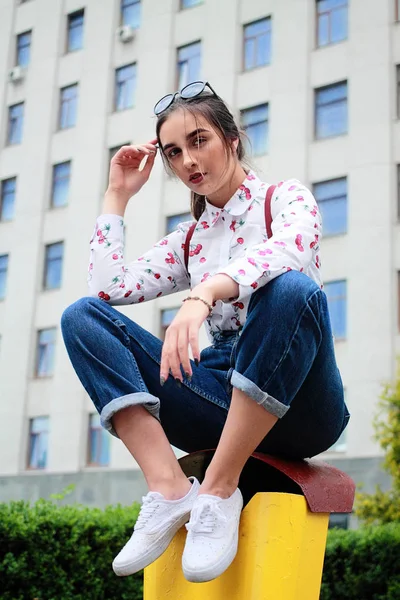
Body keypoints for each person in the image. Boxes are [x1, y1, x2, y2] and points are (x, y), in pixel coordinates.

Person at [61, 81, 350, 584]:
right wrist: (116, 195)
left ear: (231, 138)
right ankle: (170, 488)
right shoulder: (191, 239)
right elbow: (107, 289)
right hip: (221, 397)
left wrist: (203, 294)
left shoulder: (285, 199)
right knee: (81, 318)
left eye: (199, 141)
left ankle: (219, 489)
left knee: (291, 291)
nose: (189, 161)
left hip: (304, 402)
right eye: (175, 152)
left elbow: (292, 249)